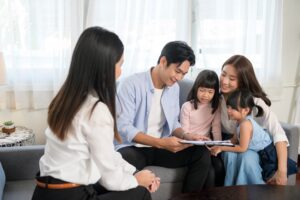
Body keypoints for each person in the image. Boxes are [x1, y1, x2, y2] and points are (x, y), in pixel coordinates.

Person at [32, 26, 160, 200]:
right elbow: (110, 178)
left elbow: (107, 155)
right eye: (120, 64)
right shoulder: (95, 110)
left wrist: (136, 173)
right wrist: (136, 180)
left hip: (44, 192)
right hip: (69, 194)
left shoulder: (64, 99)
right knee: (140, 193)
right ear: (104, 67)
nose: (121, 72)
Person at [116, 41, 211, 192]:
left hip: (160, 148)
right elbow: (124, 128)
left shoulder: (174, 88)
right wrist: (160, 143)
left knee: (201, 154)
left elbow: (173, 123)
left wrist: (188, 136)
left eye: (184, 74)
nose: (179, 78)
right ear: (163, 61)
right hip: (134, 148)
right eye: (177, 71)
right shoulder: (131, 84)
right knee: (119, 163)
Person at [218, 55, 289, 185]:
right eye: (223, 74)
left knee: (247, 158)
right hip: (234, 142)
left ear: (242, 82)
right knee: (229, 155)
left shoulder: (254, 102)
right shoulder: (216, 98)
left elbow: (278, 134)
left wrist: (282, 171)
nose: (224, 81)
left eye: (232, 79)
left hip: (254, 147)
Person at [210, 89, 297, 185]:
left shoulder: (245, 125)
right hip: (260, 151)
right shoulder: (238, 121)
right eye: (228, 107)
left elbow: (242, 148)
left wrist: (221, 148)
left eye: (233, 108)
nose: (228, 111)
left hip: (267, 154)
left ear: (246, 110)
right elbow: (234, 140)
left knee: (269, 182)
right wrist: (216, 144)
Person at [180, 69, 224, 186]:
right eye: (202, 90)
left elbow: (216, 129)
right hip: (191, 146)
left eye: (210, 92)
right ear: (196, 89)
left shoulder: (215, 107)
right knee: (209, 173)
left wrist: (217, 146)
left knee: (219, 166)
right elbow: (184, 132)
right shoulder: (187, 107)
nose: (205, 95)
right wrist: (194, 139)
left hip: (207, 145)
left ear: (215, 92)